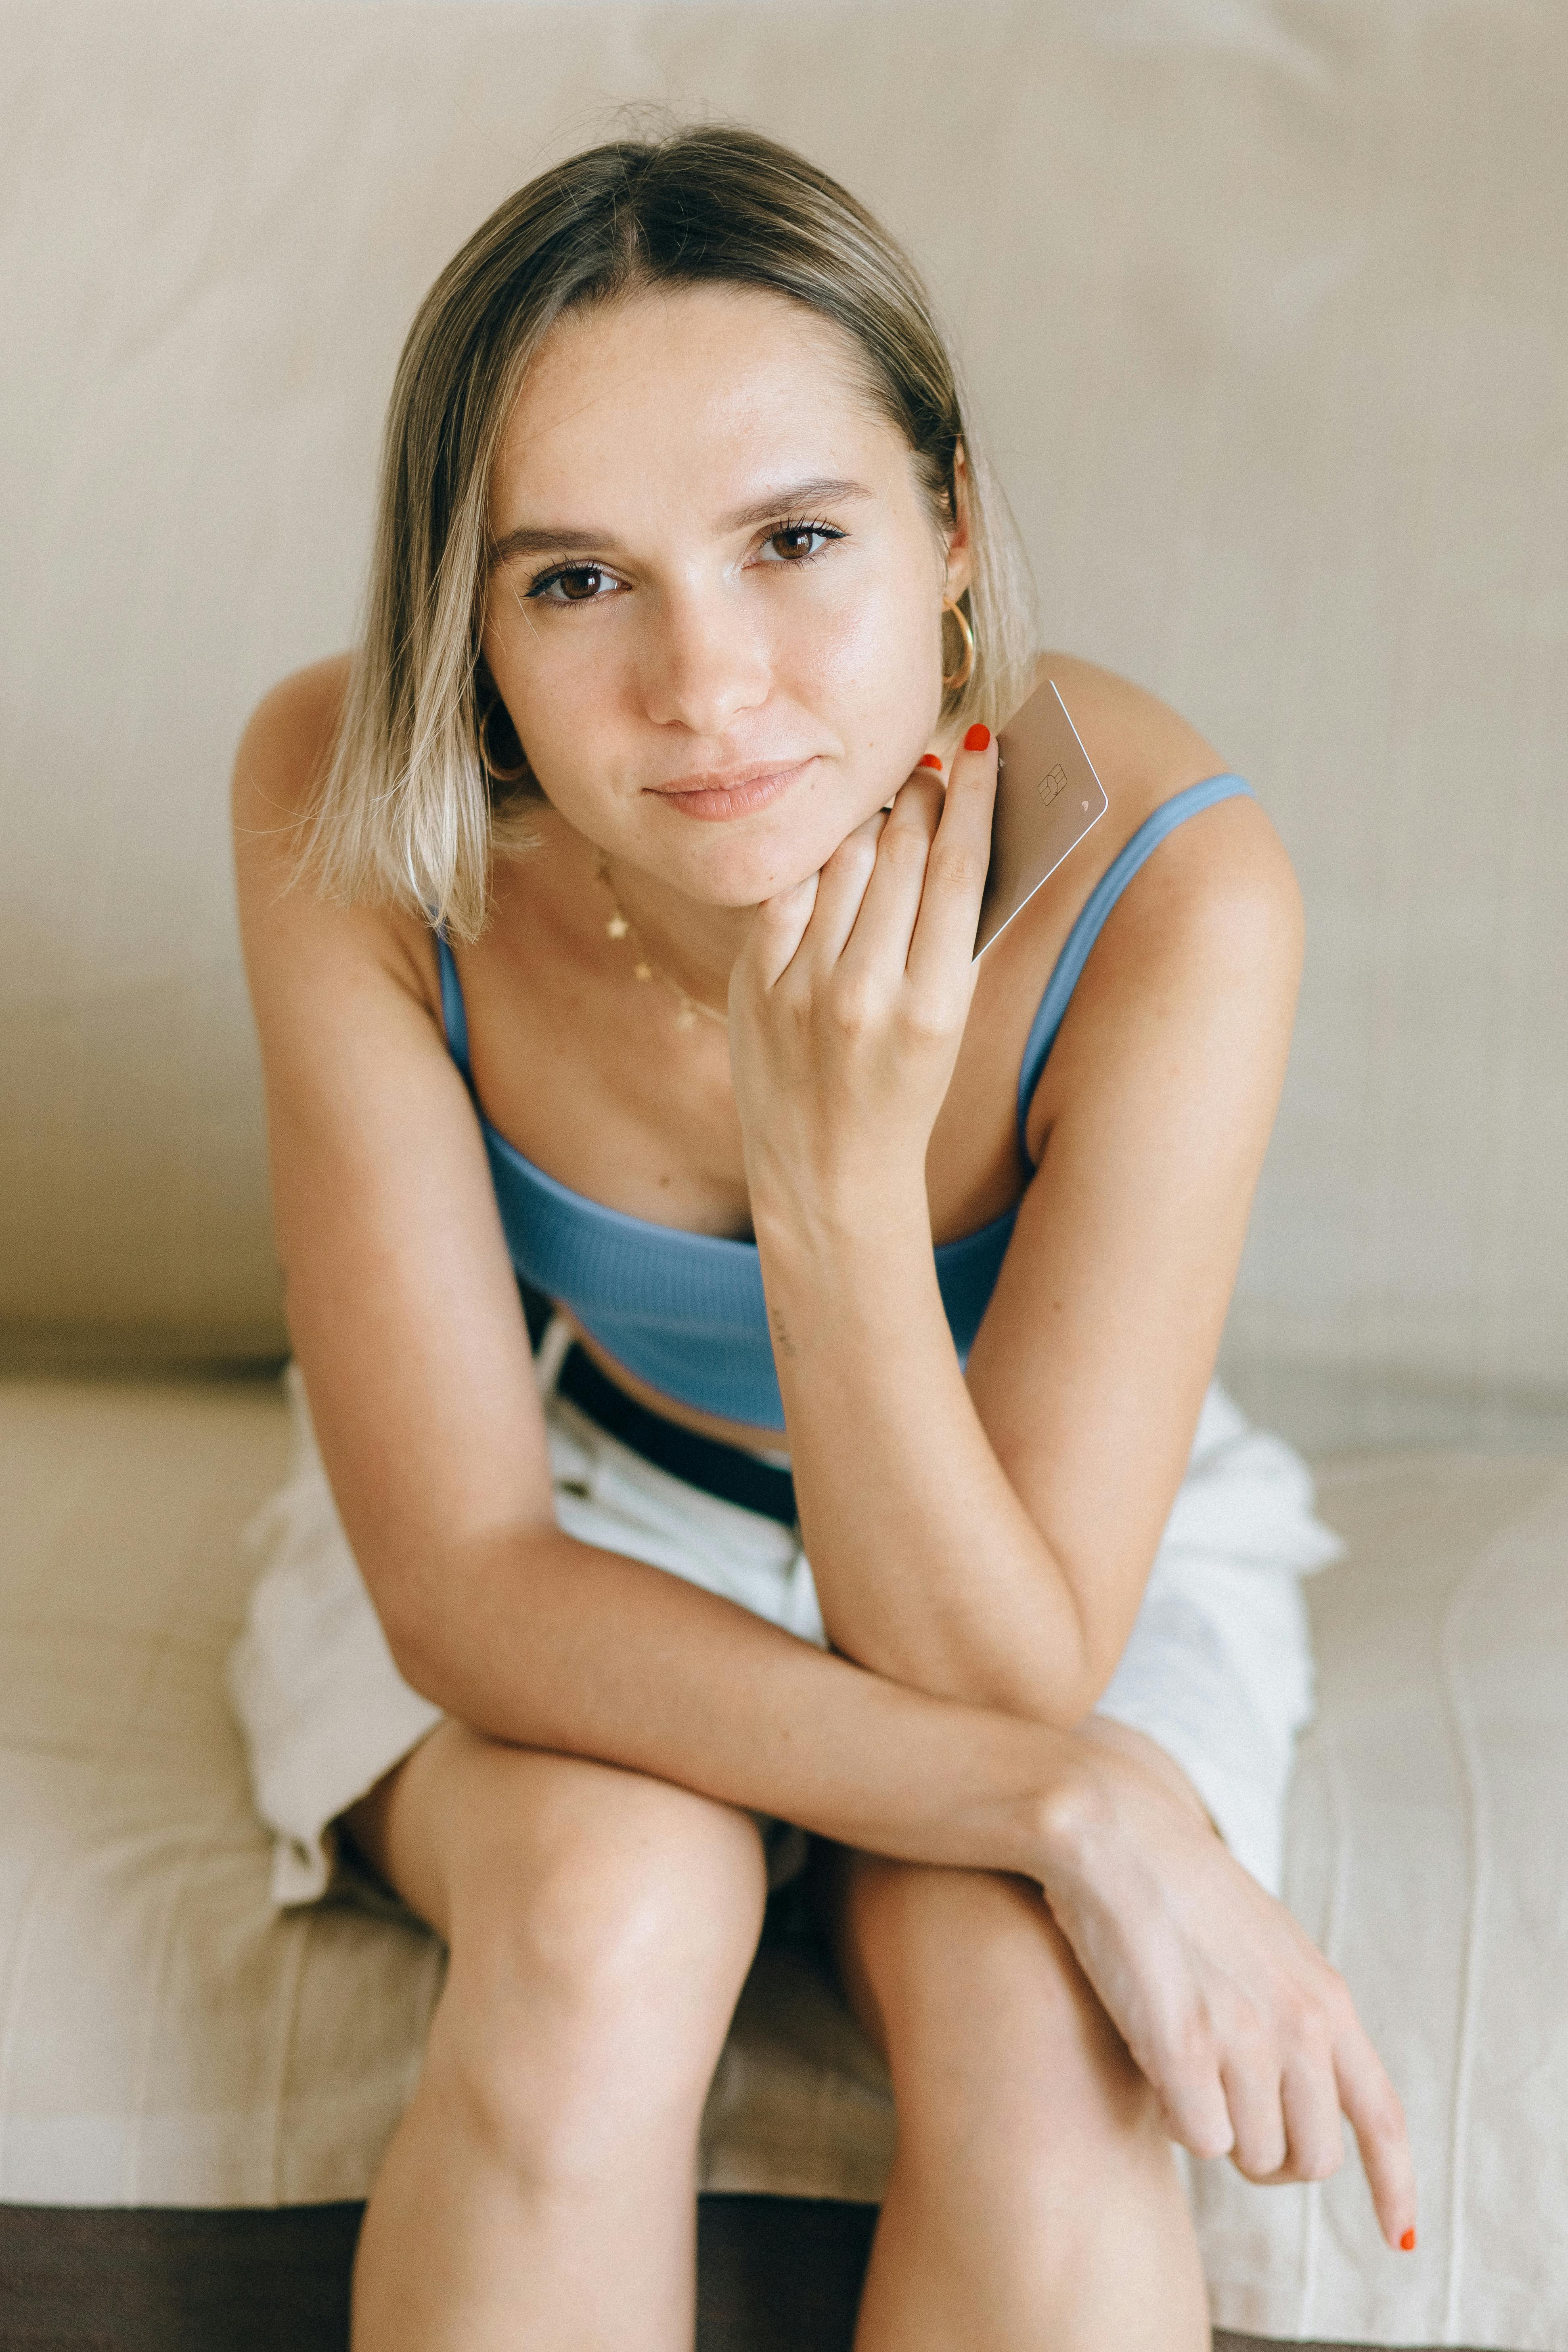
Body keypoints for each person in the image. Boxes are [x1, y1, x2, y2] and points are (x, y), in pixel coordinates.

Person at [227, 126, 1415, 2351]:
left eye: (796, 540)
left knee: (1038, 2026)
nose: (709, 684)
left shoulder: (1172, 893)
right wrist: (1087, 1805)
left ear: (953, 525)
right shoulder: (344, 803)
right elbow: (464, 1575)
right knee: (602, 1915)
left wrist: (837, 1184)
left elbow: (1011, 1654)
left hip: (1043, 1546)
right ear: (463, 623)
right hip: (586, 1502)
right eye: (576, 581)